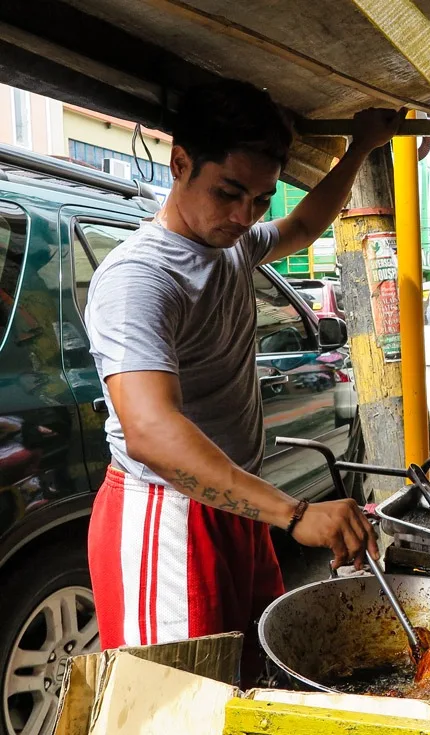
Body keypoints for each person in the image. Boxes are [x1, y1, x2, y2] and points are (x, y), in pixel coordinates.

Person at [84, 80, 402, 666]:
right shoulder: (140, 280)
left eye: (260, 200)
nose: (243, 215)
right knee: (179, 700)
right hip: (168, 516)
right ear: (180, 163)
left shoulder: (231, 246)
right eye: (229, 192)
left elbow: (303, 227)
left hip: (237, 505)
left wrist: (358, 148)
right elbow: (151, 433)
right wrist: (297, 513)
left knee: (246, 678)